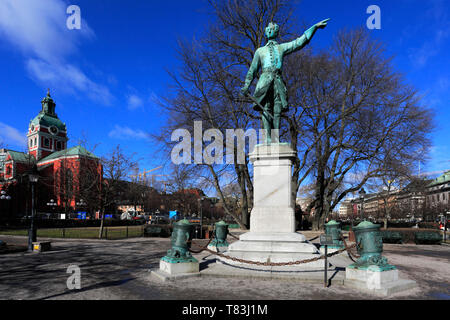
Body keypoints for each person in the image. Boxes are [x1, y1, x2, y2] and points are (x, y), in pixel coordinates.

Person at [241, 19, 330, 143]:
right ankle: (267, 138)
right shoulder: (260, 51)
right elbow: (252, 70)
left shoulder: (281, 47)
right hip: (264, 80)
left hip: (277, 80)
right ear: (266, 32)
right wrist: (246, 85)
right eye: (268, 29)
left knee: (277, 109)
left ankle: (275, 138)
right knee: (266, 108)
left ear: (276, 32)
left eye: (272, 29)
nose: (270, 31)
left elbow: (298, 42)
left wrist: (314, 27)